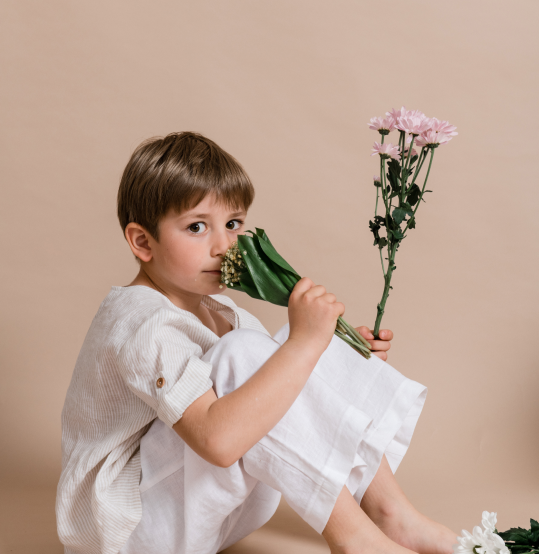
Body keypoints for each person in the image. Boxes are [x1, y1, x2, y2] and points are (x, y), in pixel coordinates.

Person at [56, 132, 457, 554]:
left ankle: (391, 513)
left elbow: (277, 401)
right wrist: (305, 346)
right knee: (258, 351)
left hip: (206, 517)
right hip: (130, 531)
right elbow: (217, 441)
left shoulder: (222, 312)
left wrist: (333, 351)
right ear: (143, 242)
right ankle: (353, 539)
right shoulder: (143, 321)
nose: (223, 245)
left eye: (233, 224)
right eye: (196, 227)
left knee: (286, 352)